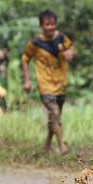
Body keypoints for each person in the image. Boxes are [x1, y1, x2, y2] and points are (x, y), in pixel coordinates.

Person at [22, 9, 74, 154]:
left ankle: (46, 146)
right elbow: (25, 59)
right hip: (45, 85)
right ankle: (62, 146)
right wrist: (27, 80)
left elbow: (71, 51)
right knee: (55, 113)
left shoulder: (62, 38)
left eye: (52, 24)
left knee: (54, 118)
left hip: (61, 84)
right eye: (47, 24)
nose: (50, 27)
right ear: (41, 26)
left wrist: (70, 54)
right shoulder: (35, 43)